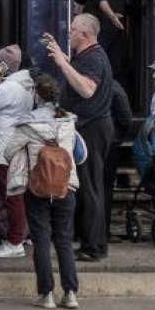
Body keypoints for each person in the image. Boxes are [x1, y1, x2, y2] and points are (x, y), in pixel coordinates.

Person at [3, 74, 80, 310]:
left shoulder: (28, 124)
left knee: (42, 241)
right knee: (64, 240)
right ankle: (70, 293)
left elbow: (7, 152)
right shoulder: (68, 121)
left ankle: (46, 294)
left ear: (36, 95)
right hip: (65, 187)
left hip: (37, 189)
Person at [44, 14, 114, 262]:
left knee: (91, 188)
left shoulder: (94, 58)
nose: (69, 32)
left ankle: (93, 247)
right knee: (88, 186)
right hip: (91, 127)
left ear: (84, 35)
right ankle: (90, 242)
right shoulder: (88, 56)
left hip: (92, 129)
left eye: (73, 29)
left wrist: (63, 63)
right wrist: (63, 56)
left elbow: (86, 89)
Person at [0, 45, 33, 258]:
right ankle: (19, 235)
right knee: (14, 193)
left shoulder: (8, 87)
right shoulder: (22, 85)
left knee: (11, 195)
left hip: (3, 146)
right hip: (11, 144)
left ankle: (14, 241)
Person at [104, 80, 133, 243]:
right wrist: (118, 137)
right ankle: (103, 232)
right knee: (105, 189)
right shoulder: (114, 86)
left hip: (83, 142)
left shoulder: (75, 82)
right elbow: (126, 118)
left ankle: (81, 231)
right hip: (109, 143)